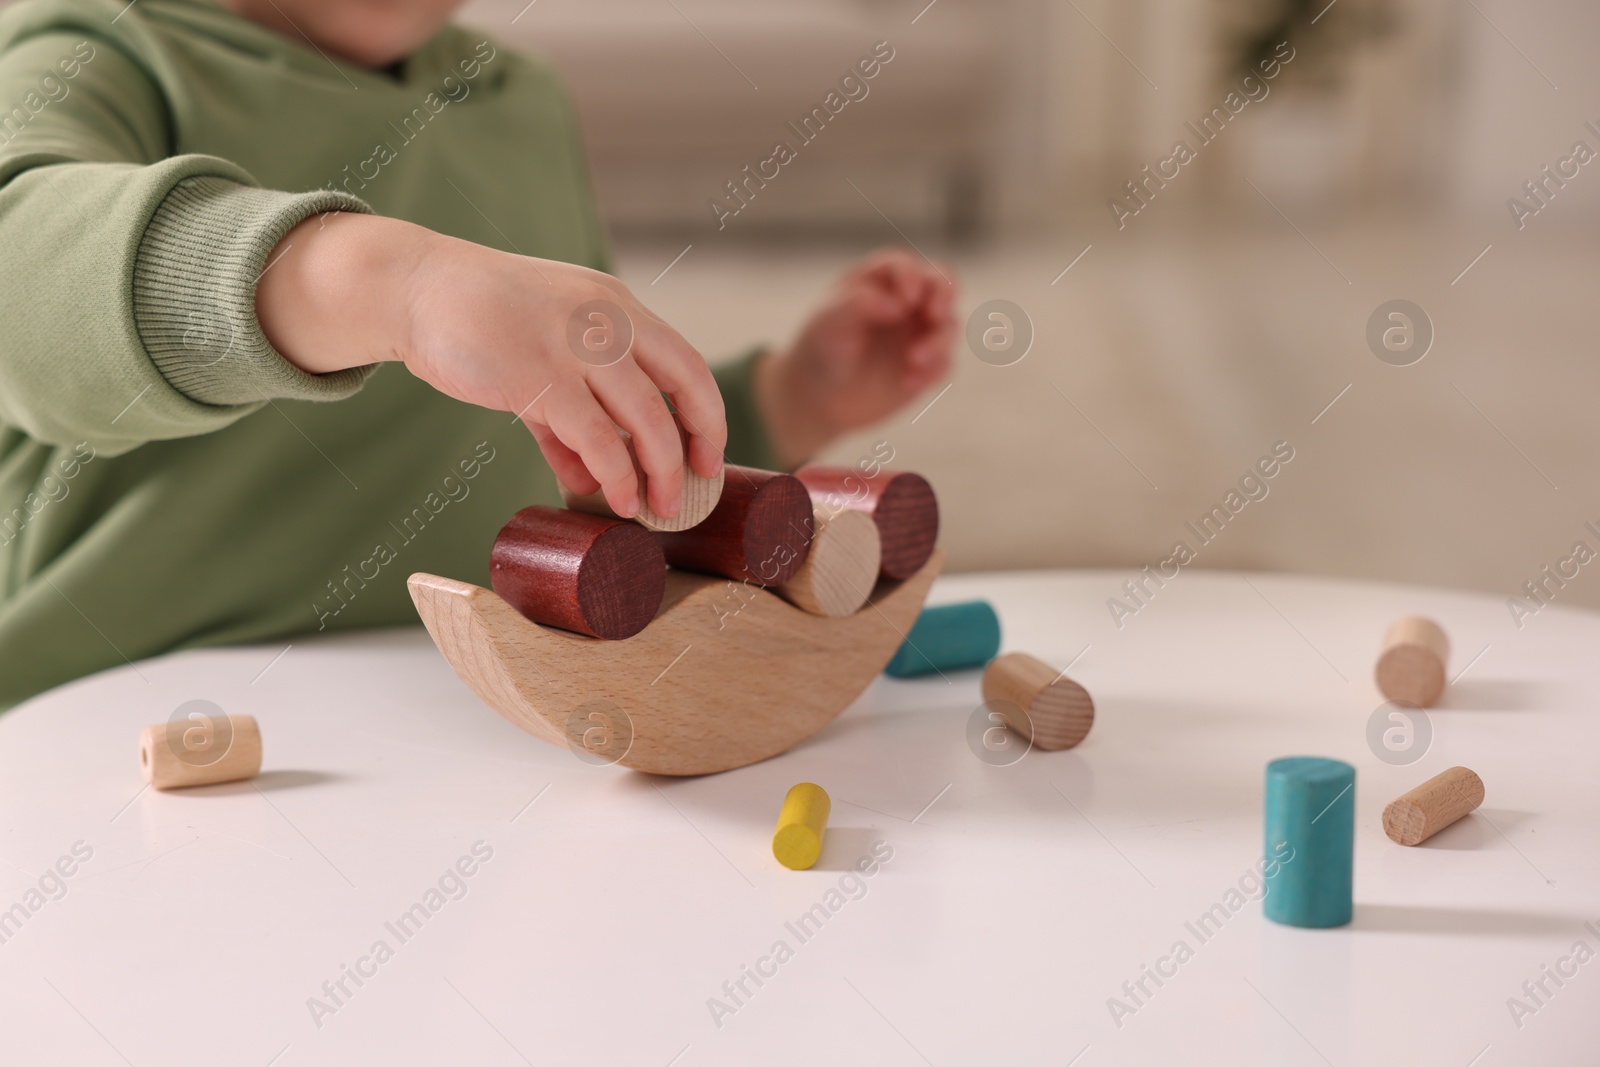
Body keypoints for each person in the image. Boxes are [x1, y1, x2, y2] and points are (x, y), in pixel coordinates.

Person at [0, 0, 954, 709]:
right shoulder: (101, 50)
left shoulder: (518, 99)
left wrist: (786, 400)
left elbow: (579, 438)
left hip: (488, 698)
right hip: (124, 709)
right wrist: (394, 285)